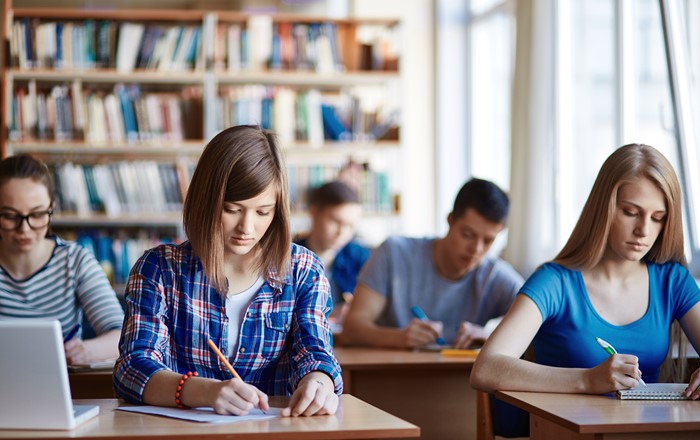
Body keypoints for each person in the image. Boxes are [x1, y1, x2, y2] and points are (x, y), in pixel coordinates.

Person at [470, 144, 700, 435]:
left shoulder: (672, 280)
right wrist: (588, 380)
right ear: (603, 207)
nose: (644, 230)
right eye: (631, 212)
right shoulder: (555, 281)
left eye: (658, 218)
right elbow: (486, 369)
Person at [113, 125, 342, 417]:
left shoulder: (303, 270)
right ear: (206, 202)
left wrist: (319, 382)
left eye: (263, 212)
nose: (247, 228)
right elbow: (132, 369)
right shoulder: (160, 269)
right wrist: (206, 392)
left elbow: (315, 353)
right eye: (232, 209)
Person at [341, 177, 524, 349]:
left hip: (461, 381)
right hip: (393, 376)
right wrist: (398, 338)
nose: (476, 249)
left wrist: (489, 334)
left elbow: (542, 321)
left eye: (488, 241)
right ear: (450, 220)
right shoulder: (394, 253)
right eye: (468, 235)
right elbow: (352, 329)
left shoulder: (495, 274)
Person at [0, 154, 124, 364]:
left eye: (37, 214)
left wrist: (86, 351)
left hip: (64, 387)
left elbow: (122, 336)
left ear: (52, 207)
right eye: (11, 216)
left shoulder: (75, 262)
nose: (25, 229)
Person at [294, 180, 370, 325]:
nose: (342, 232)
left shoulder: (362, 257)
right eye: (336, 221)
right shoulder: (288, 257)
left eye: (350, 225)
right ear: (314, 213)